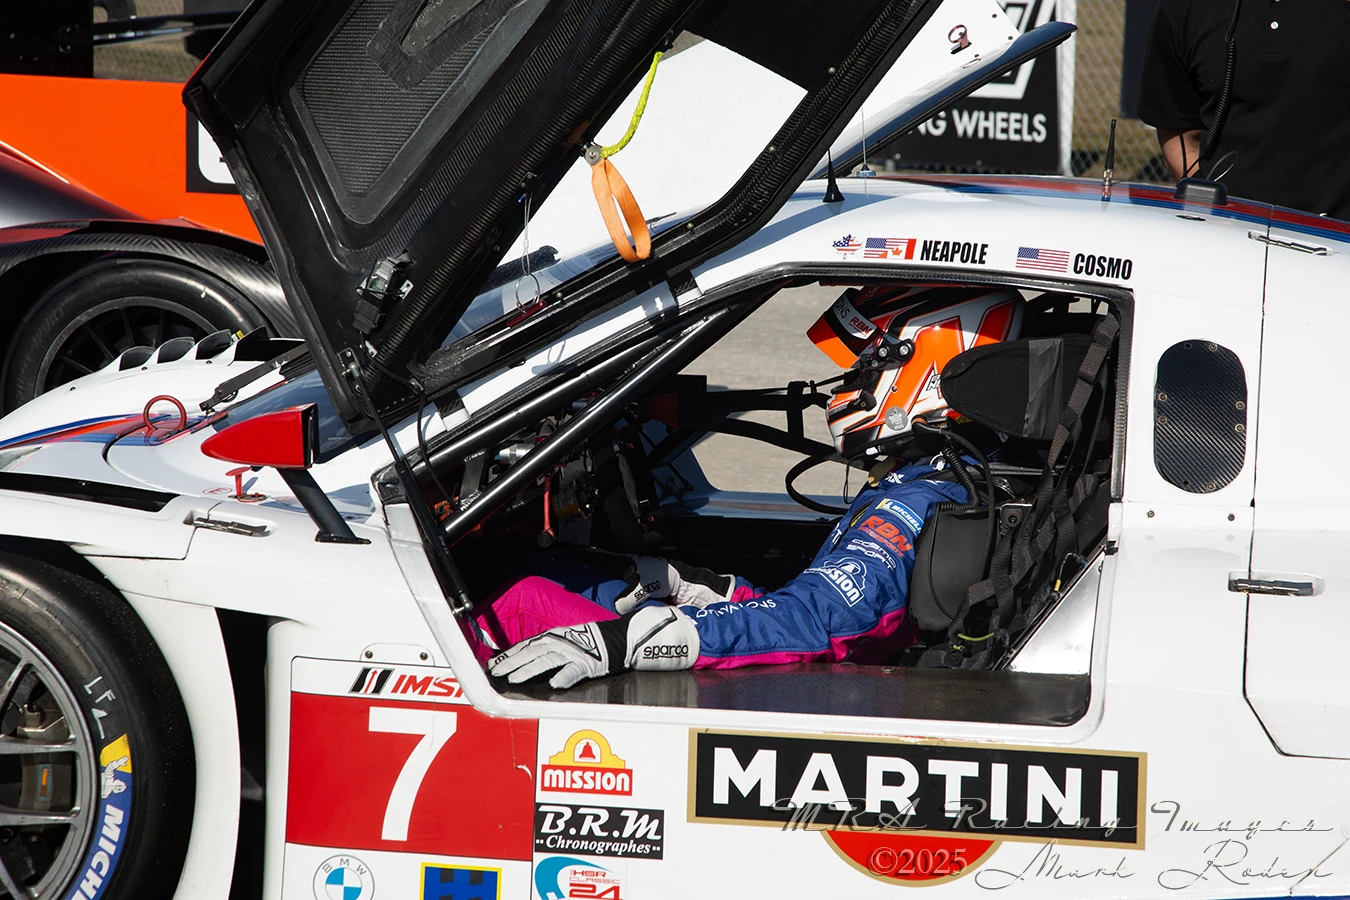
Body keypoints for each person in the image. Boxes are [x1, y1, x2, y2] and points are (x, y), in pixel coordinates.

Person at [482, 289, 1023, 689]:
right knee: (575, 579)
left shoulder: (916, 500)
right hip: (827, 661)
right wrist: (697, 587)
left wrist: (646, 638)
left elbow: (819, 621)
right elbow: (818, 610)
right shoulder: (946, 475)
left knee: (515, 603)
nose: (848, 383)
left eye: (865, 364)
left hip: (828, 686)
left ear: (924, 371)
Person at [1136, 0, 1350, 220]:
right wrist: (1209, 211)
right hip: (1230, 237)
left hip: (1337, 237)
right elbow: (1177, 130)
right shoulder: (1186, 8)